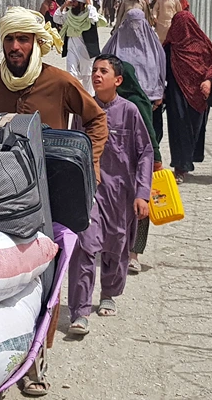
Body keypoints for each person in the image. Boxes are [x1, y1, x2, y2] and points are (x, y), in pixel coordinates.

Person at [0, 6, 108, 395]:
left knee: (43, 281)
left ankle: (32, 364)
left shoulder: (59, 82)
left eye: (22, 39)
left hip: (44, 198)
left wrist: (90, 164)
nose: (15, 47)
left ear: (36, 43)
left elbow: (96, 119)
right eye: (10, 39)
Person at [68, 54, 153, 334]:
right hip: (90, 190)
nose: (96, 75)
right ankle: (79, 311)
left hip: (121, 194)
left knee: (116, 246)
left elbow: (145, 153)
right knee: (84, 246)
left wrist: (142, 193)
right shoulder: (84, 111)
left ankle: (109, 293)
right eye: (94, 70)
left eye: (103, 71)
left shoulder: (129, 112)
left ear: (118, 80)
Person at [163, 11, 212, 183]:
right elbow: (161, 70)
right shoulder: (169, 47)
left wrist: (209, 81)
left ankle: (188, 160)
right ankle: (180, 167)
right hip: (176, 95)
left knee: (195, 129)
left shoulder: (204, 45)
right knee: (179, 129)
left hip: (198, 97)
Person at [116, 61, 163, 273]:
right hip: (117, 165)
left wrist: (156, 159)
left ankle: (133, 254)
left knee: (140, 208)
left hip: (138, 164)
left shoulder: (136, 102)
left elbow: (149, 135)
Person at [102, 8, 167, 141]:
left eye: (138, 23)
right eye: (131, 23)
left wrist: (160, 94)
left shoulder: (154, 46)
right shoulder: (115, 43)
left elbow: (161, 69)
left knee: (149, 136)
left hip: (150, 100)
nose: (135, 28)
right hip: (120, 99)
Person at [54, 0, 101, 96]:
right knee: (71, 73)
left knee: (88, 76)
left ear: (81, 3)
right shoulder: (70, 15)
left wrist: (89, 3)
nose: (73, 3)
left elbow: (94, 18)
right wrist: (64, 5)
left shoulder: (88, 15)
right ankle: (74, 98)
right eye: (72, 1)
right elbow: (56, 18)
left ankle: (89, 100)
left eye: (75, 2)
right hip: (72, 48)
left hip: (87, 49)